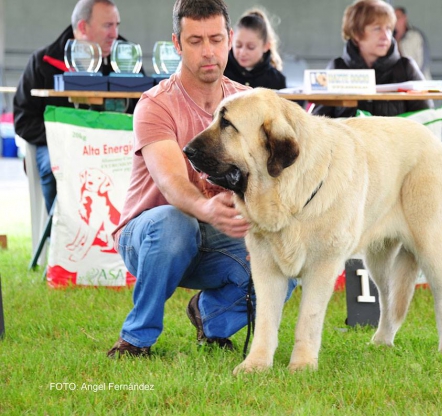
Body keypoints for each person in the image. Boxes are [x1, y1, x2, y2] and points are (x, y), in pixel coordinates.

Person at [106, 0, 296, 358]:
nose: (208, 52)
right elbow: (170, 183)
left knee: (286, 261)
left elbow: (276, 177)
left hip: (219, 233)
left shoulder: (248, 101)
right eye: (195, 41)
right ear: (177, 43)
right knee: (175, 221)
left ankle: (211, 320)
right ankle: (135, 339)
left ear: (229, 39)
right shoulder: (156, 105)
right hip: (151, 235)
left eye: (215, 39)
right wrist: (206, 207)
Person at [13, 0, 140, 215]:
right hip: (57, 148)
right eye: (108, 26)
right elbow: (23, 119)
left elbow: (144, 109)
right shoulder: (42, 62)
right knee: (60, 167)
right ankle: (62, 240)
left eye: (117, 25)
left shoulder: (125, 58)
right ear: (82, 28)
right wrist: (70, 140)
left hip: (115, 148)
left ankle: (123, 239)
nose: (115, 34)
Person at [312, 0, 431, 119]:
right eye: (377, 28)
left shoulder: (406, 68)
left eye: (388, 28)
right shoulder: (337, 68)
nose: (386, 36)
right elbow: (318, 124)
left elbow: (427, 120)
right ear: (356, 34)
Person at [224, 8, 286, 89]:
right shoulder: (222, 70)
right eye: (238, 45)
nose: (242, 52)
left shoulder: (276, 80)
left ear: (266, 46)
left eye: (251, 47)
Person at [394, 6, 432, 80]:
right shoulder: (389, 38)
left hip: (419, 82)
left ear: (404, 18)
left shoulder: (415, 36)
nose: (395, 21)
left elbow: (422, 62)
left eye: (398, 17)